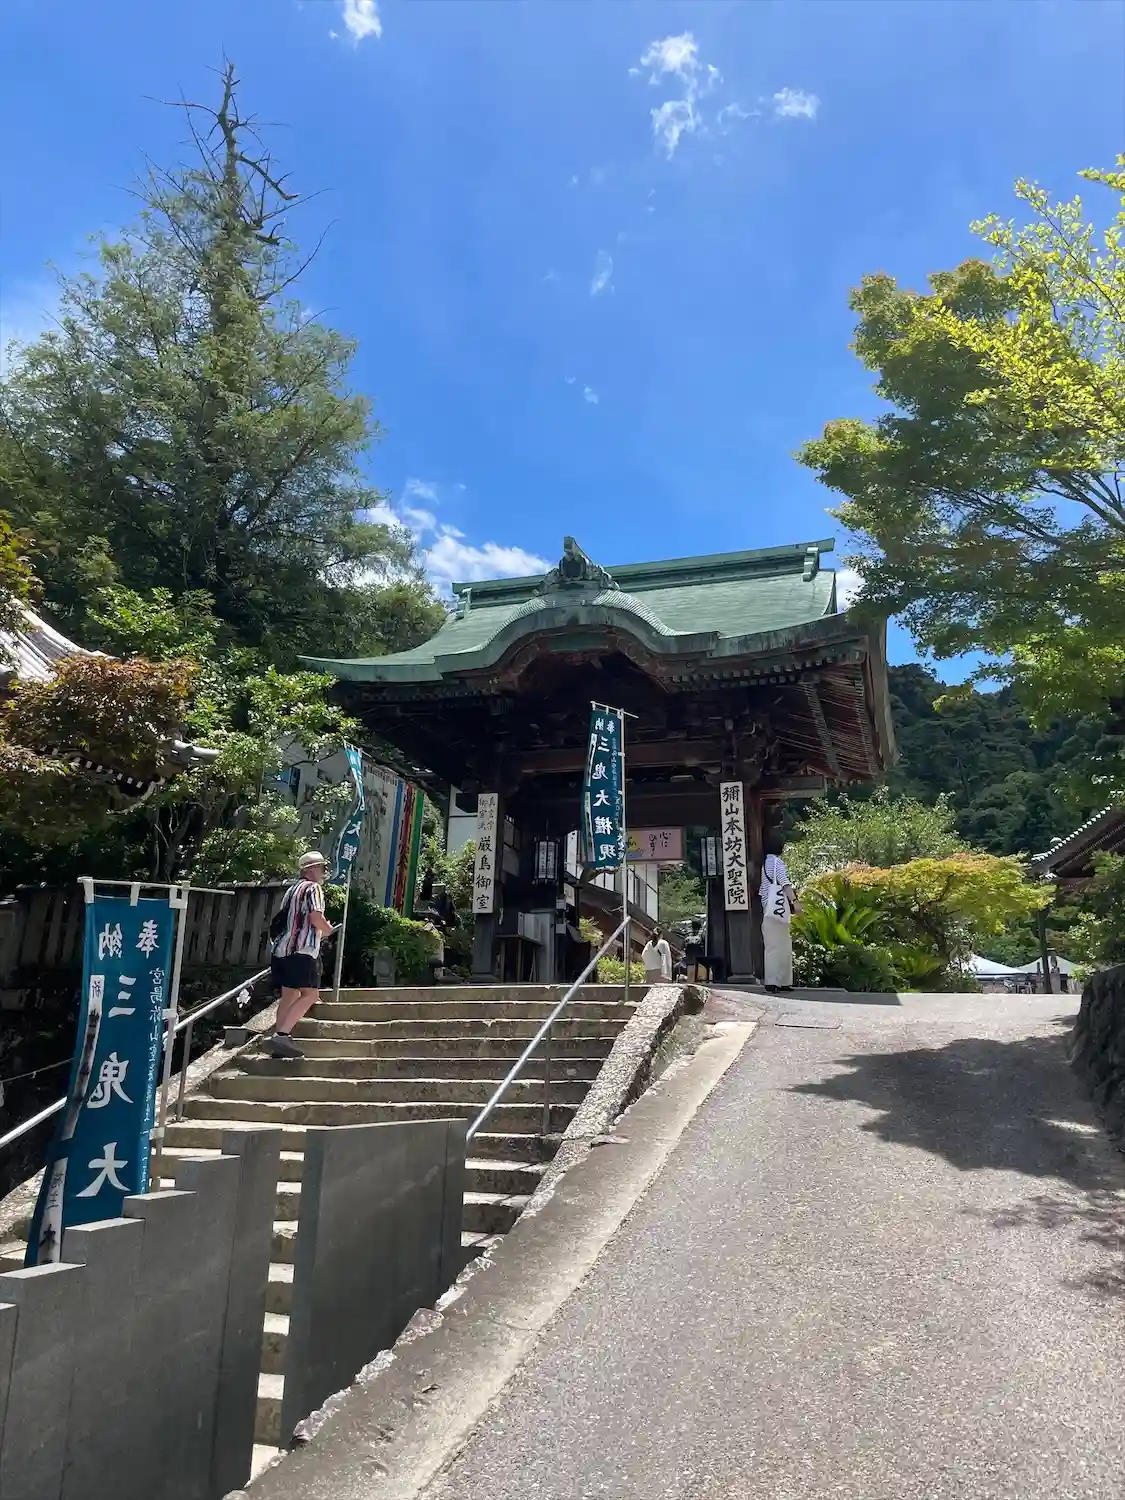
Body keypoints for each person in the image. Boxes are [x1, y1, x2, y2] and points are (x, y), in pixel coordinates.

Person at [266, 850, 333, 1059]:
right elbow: (315, 917)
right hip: (302, 950)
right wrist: (328, 929)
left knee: (289, 995)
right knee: (311, 994)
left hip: (281, 950)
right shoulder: (314, 888)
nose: (324, 872)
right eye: (322, 868)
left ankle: (279, 1043)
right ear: (311, 869)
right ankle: (282, 1036)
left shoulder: (291, 890)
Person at [760, 835, 799, 993]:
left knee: (772, 947)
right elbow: (785, 884)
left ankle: (774, 981)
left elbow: (763, 892)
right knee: (783, 946)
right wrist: (795, 902)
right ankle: (782, 981)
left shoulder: (764, 864)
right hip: (779, 911)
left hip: (769, 910)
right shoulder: (777, 863)